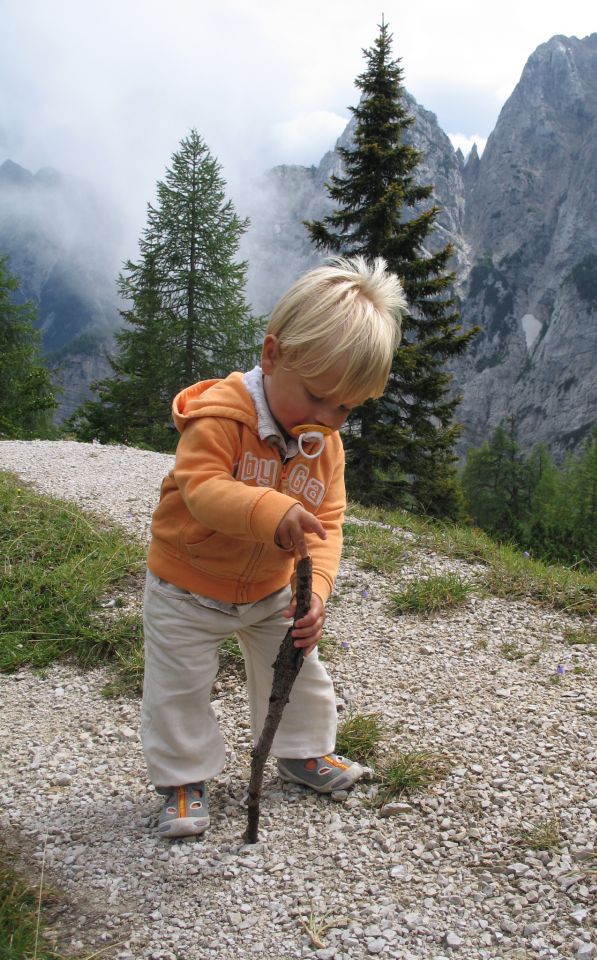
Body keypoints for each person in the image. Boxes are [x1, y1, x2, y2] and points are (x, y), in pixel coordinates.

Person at [141, 256, 406, 837]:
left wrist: (318, 592)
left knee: (300, 668)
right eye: (317, 397)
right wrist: (270, 509)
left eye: (346, 408)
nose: (328, 419)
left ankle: (302, 750)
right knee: (179, 685)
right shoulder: (219, 419)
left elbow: (328, 521)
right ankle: (184, 779)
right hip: (186, 585)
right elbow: (204, 490)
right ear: (271, 356)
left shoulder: (325, 446)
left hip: (268, 591)